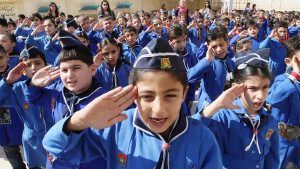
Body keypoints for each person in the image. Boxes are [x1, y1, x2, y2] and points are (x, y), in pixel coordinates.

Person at [42, 38, 223, 169]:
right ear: (133, 95)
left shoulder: (201, 137)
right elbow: (55, 147)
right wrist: (80, 120)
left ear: (184, 94)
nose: (158, 109)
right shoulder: (116, 127)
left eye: (170, 96)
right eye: (147, 96)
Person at [23, 30, 107, 169]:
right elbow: (33, 99)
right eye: (64, 70)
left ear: (92, 69)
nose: (69, 75)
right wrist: (33, 84)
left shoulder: (103, 100)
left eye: (76, 68)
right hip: (57, 163)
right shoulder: (57, 92)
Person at [198, 48, 280, 169]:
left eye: (265, 87)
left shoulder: (269, 121)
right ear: (237, 88)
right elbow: (192, 133)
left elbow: (272, 161)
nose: (261, 95)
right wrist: (216, 105)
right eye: (252, 88)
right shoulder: (222, 117)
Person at [0, 44, 54, 169]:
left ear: (46, 65)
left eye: (38, 63)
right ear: (23, 71)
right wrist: (7, 82)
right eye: (28, 65)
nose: (34, 68)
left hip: (56, 139)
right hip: (34, 143)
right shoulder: (18, 89)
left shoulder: (56, 86)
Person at [266, 34, 300, 169]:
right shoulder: (283, 79)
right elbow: (272, 98)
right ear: (288, 61)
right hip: (283, 140)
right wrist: (295, 76)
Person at [188, 25, 235, 113]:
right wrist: (206, 61)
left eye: (221, 45)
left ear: (227, 43)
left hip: (225, 105)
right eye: (214, 46)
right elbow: (188, 77)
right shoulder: (208, 63)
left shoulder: (231, 62)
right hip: (208, 104)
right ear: (209, 47)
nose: (219, 49)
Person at [0, 44, 26, 169]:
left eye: (0, 57)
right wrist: (6, 83)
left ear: (7, 56)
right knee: (11, 151)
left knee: (31, 151)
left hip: (23, 118)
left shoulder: (19, 73)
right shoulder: (10, 78)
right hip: (3, 119)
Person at [168, 24, 197, 115]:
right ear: (171, 42)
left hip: (187, 94)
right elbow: (164, 70)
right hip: (174, 94)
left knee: (186, 117)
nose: (182, 44)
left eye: (184, 40)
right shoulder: (169, 57)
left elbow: (193, 79)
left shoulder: (189, 56)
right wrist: (168, 52)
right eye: (178, 41)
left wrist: (191, 97)